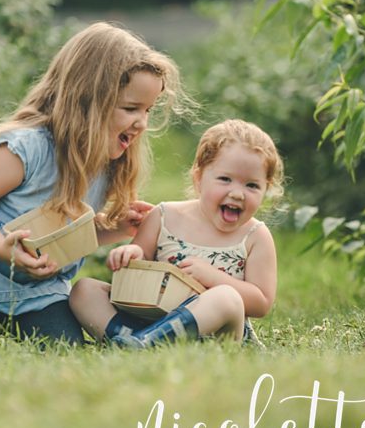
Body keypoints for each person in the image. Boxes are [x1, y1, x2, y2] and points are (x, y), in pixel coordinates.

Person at [0, 22, 189, 345]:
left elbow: (65, 235)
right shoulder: (25, 149)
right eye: (131, 108)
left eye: (148, 110)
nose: (142, 123)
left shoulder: (104, 164)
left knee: (64, 347)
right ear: (87, 100)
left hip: (35, 294)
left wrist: (114, 228)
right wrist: (1, 248)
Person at [71, 119, 282, 347]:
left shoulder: (255, 236)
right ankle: (135, 339)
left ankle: (144, 342)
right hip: (151, 316)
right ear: (199, 178)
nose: (238, 193)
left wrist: (213, 277)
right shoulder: (164, 216)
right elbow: (141, 260)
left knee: (227, 297)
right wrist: (132, 254)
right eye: (225, 179)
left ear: (266, 189)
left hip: (216, 333)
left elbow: (261, 303)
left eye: (252, 185)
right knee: (84, 290)